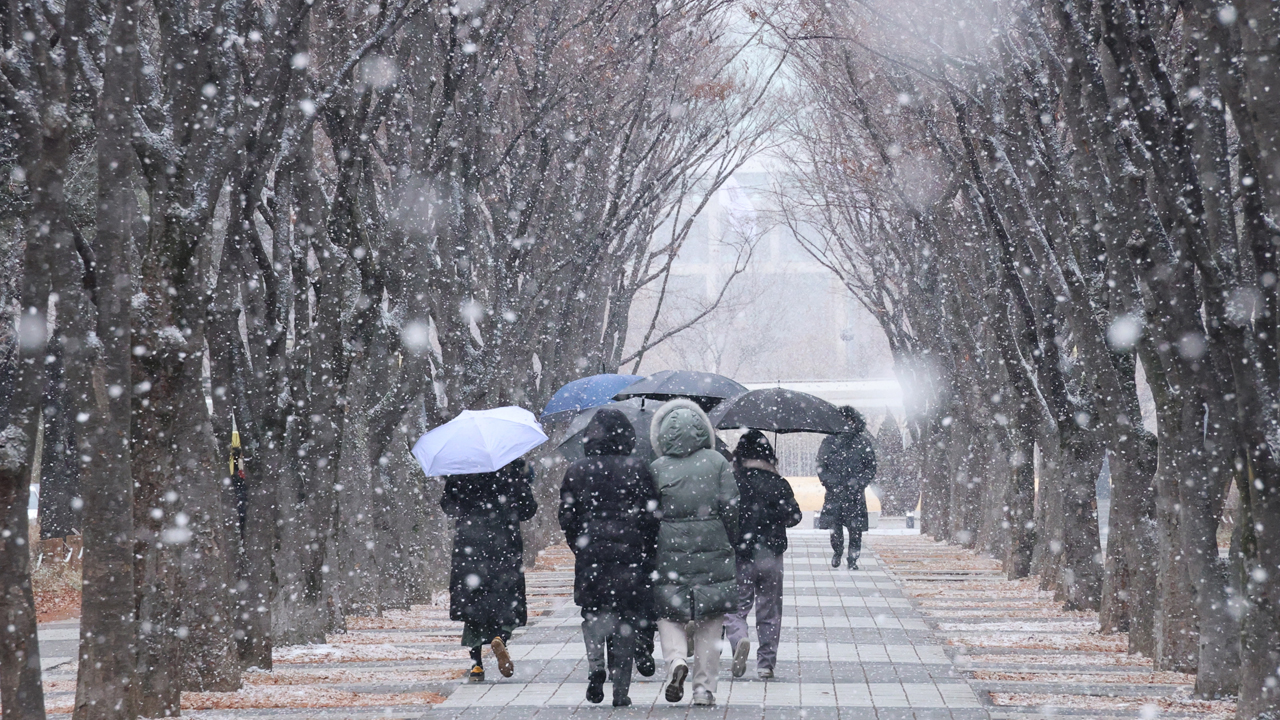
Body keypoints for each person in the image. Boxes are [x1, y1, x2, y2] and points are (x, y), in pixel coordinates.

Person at [558, 409, 661, 707]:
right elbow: (653, 514)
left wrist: (580, 545)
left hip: (592, 554)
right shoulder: (638, 468)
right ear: (628, 436)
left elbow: (567, 516)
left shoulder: (576, 470)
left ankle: (596, 667)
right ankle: (621, 692)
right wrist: (646, 548)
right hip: (630, 555)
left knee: (593, 612)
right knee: (626, 617)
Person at [648, 398, 739, 707]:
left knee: (669, 614)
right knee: (711, 620)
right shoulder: (717, 462)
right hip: (713, 546)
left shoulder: (657, 468)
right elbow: (731, 506)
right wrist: (731, 537)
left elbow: (650, 513)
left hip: (669, 548)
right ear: (702, 430)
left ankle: (675, 662)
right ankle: (704, 689)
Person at [441, 458, 538, 682]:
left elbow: (449, 506)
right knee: (507, 600)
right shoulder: (512, 465)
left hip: (470, 545)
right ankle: (500, 637)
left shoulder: (461, 466)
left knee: (473, 604)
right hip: (504, 544)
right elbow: (528, 510)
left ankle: (476, 665)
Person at [724, 430, 802, 679]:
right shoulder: (778, 483)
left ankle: (739, 641)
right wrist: (775, 514)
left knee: (736, 608)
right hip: (770, 555)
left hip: (740, 555)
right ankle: (766, 663)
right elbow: (795, 517)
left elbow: (724, 515)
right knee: (769, 610)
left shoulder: (734, 481)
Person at [816, 406, 877, 569]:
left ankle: (853, 559)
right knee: (835, 529)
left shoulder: (863, 442)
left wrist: (859, 483)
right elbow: (821, 465)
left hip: (855, 494)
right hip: (835, 493)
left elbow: (870, 467)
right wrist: (831, 482)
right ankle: (837, 551)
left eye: (850, 420)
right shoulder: (829, 441)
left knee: (855, 531)